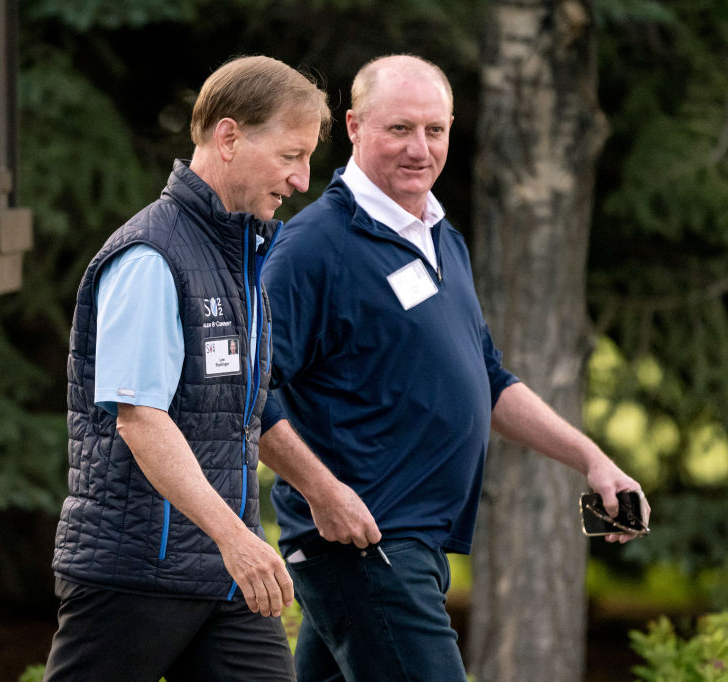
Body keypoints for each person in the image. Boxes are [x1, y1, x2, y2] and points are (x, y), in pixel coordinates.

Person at [257, 54, 650, 681]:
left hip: (413, 545)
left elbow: (488, 378)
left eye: (434, 130)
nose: (420, 149)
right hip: (365, 545)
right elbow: (250, 393)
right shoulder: (312, 248)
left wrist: (592, 459)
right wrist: (322, 493)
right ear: (354, 127)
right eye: (400, 129)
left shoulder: (439, 235)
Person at [43, 55, 331, 682]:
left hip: (226, 576)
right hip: (135, 573)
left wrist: (319, 491)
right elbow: (141, 419)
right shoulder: (151, 255)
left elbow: (238, 418)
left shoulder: (243, 258)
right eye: (290, 156)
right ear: (228, 137)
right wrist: (238, 541)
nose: (303, 180)